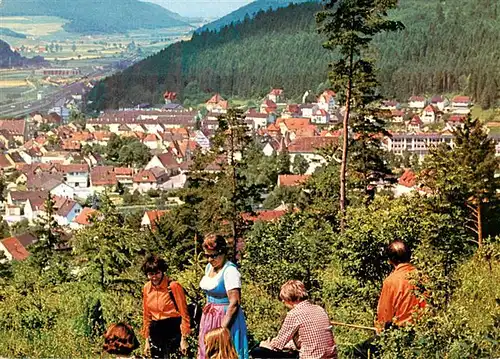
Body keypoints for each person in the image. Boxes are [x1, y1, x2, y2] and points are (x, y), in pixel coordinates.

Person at [251, 280, 337, 359]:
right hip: (330, 357)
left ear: (288, 298)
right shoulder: (319, 309)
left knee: (257, 351)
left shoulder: (294, 314)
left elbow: (277, 344)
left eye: (283, 299)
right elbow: (308, 339)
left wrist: (265, 344)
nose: (283, 302)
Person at [198, 235, 249, 359]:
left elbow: (234, 302)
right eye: (207, 255)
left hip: (225, 318)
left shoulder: (230, 271)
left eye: (213, 255)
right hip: (210, 316)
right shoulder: (209, 267)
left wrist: (222, 329)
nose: (209, 259)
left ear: (223, 253)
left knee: (224, 352)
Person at [141, 255, 191, 358]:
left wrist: (184, 338)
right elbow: (146, 316)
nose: (154, 277)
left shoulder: (173, 286)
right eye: (151, 274)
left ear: (162, 271)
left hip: (173, 329)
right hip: (156, 331)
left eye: (157, 273)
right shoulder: (146, 288)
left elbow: (184, 314)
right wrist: (146, 341)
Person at [376, 240, 426, 331]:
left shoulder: (390, 281)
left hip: (401, 333)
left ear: (390, 260)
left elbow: (384, 316)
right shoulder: (424, 277)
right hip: (424, 330)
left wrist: (380, 330)